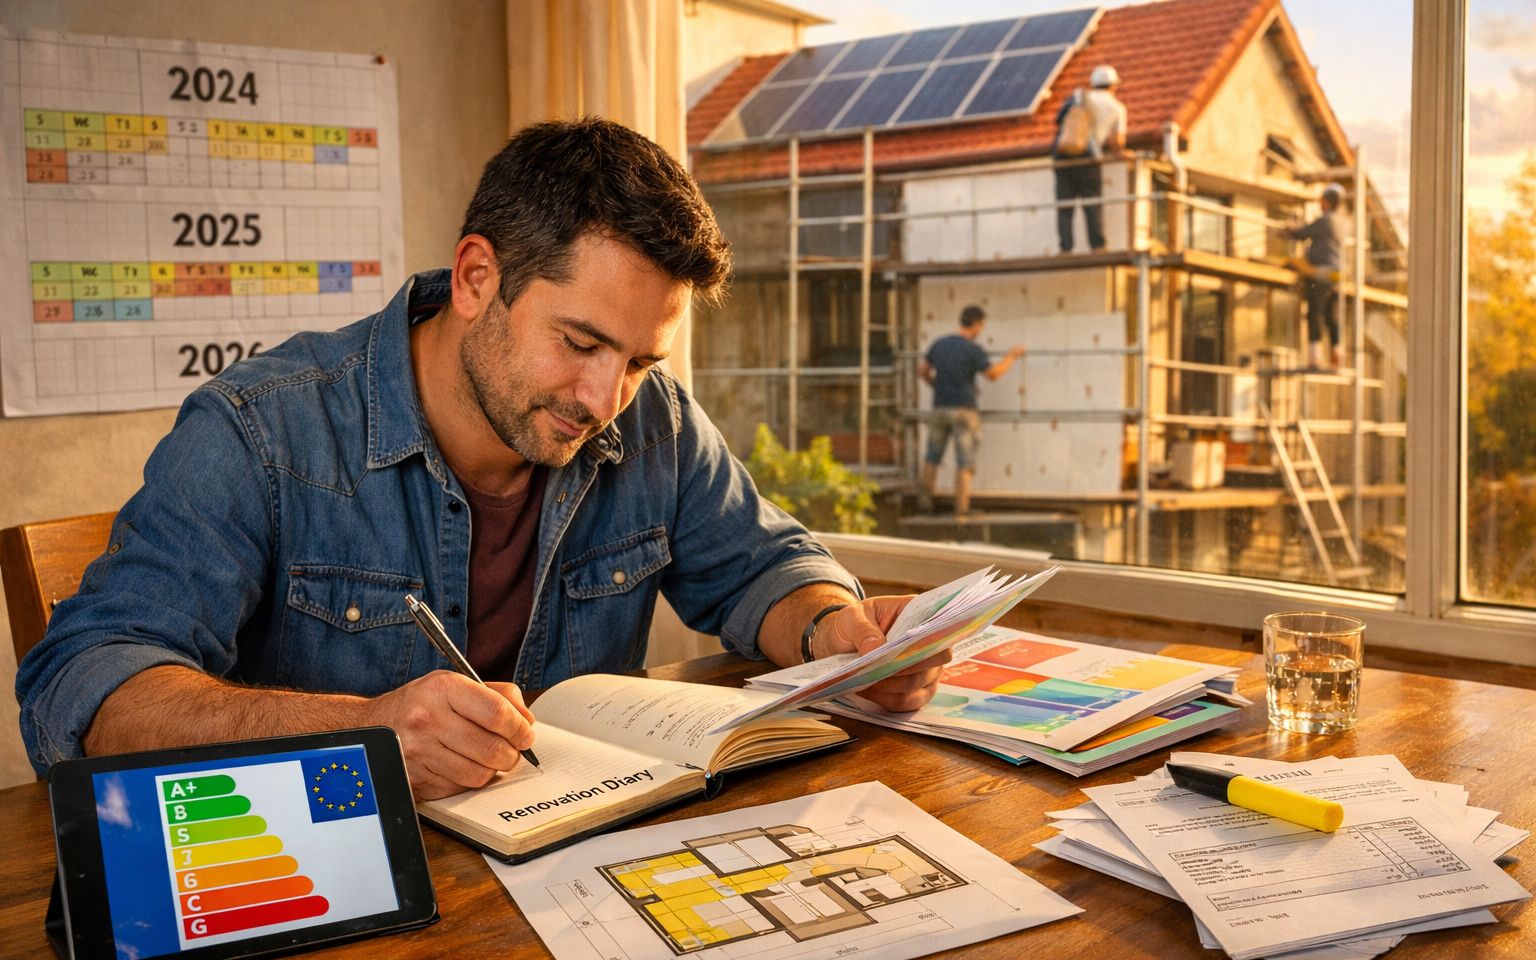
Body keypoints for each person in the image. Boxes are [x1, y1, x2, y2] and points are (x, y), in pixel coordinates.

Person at [16, 118, 949, 799]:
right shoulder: (262, 429)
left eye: (638, 361)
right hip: (340, 901)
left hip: (574, 871)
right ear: (475, 279)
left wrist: (838, 633)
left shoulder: (649, 416)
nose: (603, 399)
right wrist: (365, 730)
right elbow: (88, 685)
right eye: (580, 342)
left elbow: (762, 568)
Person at [917, 305, 1025, 518]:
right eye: (981, 325)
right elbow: (992, 374)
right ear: (976, 324)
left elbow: (922, 370)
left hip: (940, 408)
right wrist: (1012, 356)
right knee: (964, 462)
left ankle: (924, 504)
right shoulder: (972, 349)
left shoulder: (940, 344)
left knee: (932, 457)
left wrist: (936, 385)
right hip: (965, 411)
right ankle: (962, 510)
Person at [1052, 64, 1127, 254]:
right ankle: (1097, 245)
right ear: (1113, 86)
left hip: (1063, 155)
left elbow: (1059, 122)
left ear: (1093, 84)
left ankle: (1065, 248)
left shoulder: (1078, 97)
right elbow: (1117, 141)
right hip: (1089, 158)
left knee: (1065, 205)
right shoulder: (1117, 108)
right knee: (1092, 202)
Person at [1284, 183, 1344, 369]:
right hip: (1336, 274)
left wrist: (1289, 229)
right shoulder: (1341, 222)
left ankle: (1314, 357)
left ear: (1328, 202)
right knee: (1330, 314)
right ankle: (1337, 353)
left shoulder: (1325, 220)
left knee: (1314, 312)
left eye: (1322, 200)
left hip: (1322, 272)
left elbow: (1302, 233)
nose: (1320, 203)